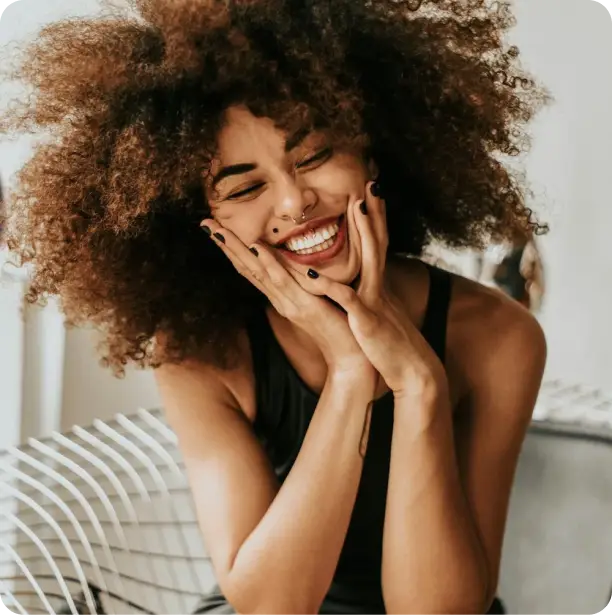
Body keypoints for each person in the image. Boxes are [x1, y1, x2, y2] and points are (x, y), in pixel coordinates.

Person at [0, 1, 550, 613]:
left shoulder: (499, 336)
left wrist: (419, 384)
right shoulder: (200, 354)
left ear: (370, 151)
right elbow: (268, 608)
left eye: (313, 155)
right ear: (205, 225)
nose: (295, 202)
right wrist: (350, 371)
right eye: (245, 187)